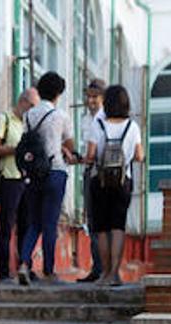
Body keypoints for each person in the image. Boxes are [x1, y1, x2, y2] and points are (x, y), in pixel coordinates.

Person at [17, 71, 75, 286]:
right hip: (55, 171)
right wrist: (63, 147)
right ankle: (49, 271)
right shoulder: (61, 116)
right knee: (50, 223)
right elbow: (70, 146)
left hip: (33, 174)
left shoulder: (28, 115)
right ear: (58, 93)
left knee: (34, 223)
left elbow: (31, 141)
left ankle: (24, 263)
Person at [83, 84, 143, 287]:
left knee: (101, 229)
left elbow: (91, 156)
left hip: (99, 181)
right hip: (122, 181)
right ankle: (115, 274)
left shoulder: (98, 125)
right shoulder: (132, 127)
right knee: (118, 227)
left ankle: (105, 273)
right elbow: (140, 155)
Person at [0, 89, 37, 281]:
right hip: (10, 178)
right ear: (22, 102)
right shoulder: (4, 119)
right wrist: (16, 150)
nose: (33, 110)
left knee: (26, 226)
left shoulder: (30, 124)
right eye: (32, 106)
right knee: (7, 226)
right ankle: (3, 271)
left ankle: (25, 268)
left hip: (27, 180)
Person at [76, 78, 107, 283]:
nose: (91, 100)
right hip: (91, 171)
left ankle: (102, 269)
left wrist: (78, 159)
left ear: (103, 98)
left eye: (95, 96)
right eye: (88, 96)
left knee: (100, 222)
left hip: (102, 174)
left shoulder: (104, 119)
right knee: (93, 221)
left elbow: (92, 153)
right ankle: (99, 268)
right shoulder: (87, 119)